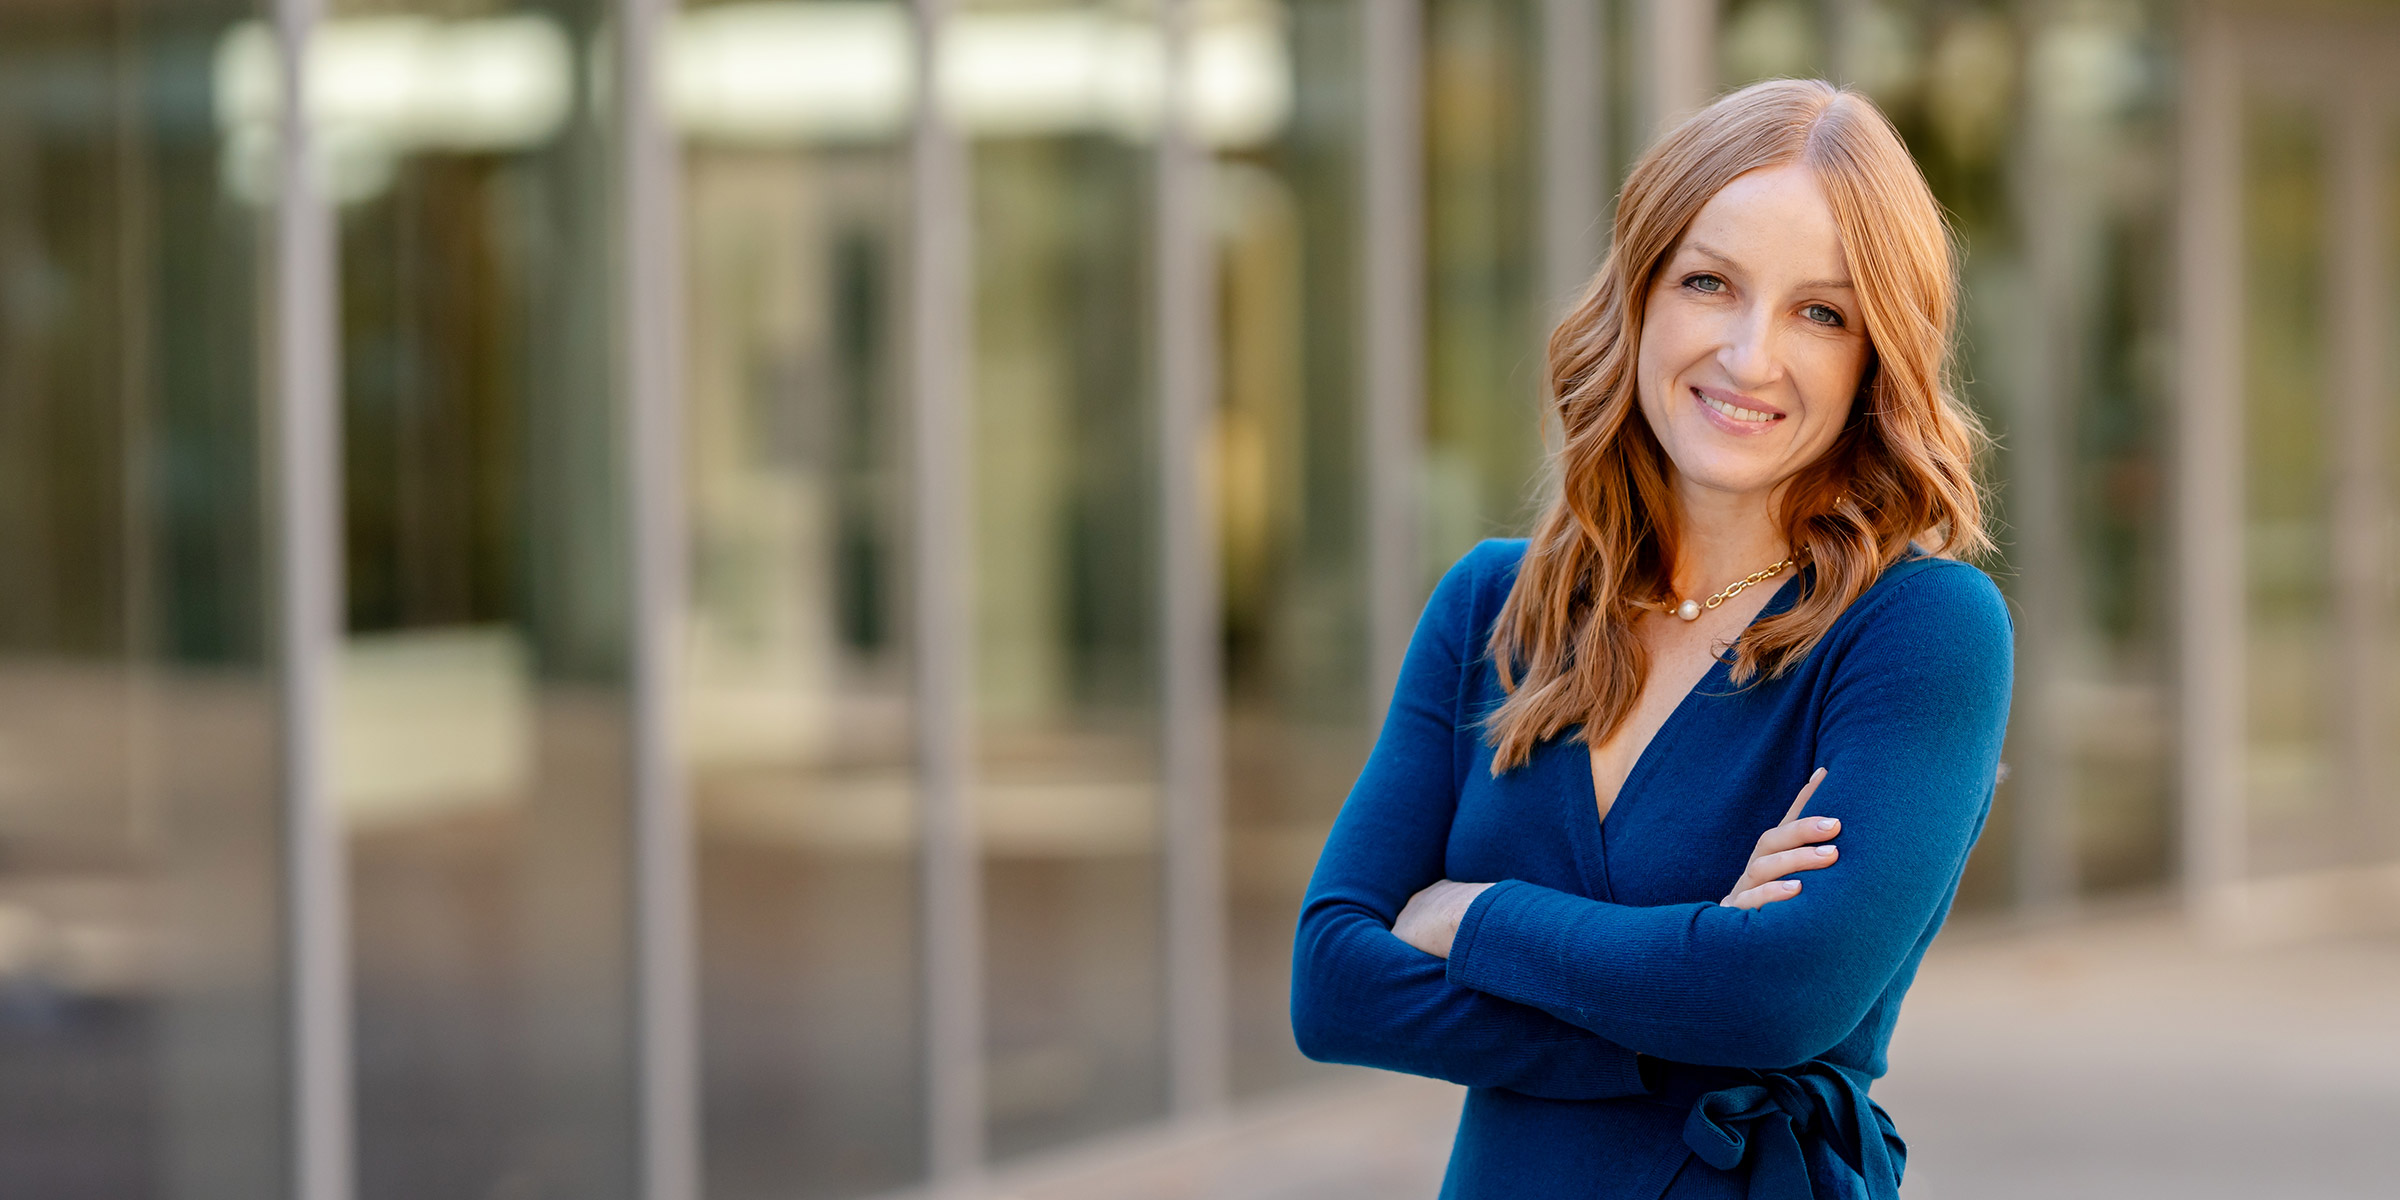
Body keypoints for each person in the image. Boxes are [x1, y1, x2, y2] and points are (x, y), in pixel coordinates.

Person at [1288, 78, 2012, 1200]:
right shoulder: (1494, 606)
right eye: (1709, 283)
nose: (1749, 355)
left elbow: (1781, 998)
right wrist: (1684, 980)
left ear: (1878, 357)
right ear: (1640, 296)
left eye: (1821, 313)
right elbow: (1333, 983)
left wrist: (1472, 913)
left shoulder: (1920, 630)